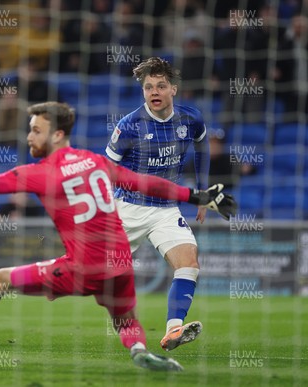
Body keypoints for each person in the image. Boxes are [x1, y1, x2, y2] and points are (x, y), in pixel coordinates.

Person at [0, 102, 236, 371]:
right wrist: (196, 196)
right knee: (125, 320)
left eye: (35, 130)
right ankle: (141, 353)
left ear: (56, 135)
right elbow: (143, 183)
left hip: (81, 268)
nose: (29, 137)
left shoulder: (38, 173)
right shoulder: (95, 160)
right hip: (120, 265)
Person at [105, 57, 211, 351]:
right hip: (127, 209)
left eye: (161, 85)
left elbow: (203, 145)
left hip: (165, 209)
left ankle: (173, 330)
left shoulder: (190, 119)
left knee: (189, 262)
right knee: (96, 276)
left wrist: (202, 191)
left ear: (173, 89)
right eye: (148, 86)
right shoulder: (129, 126)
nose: (154, 91)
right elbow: (106, 171)